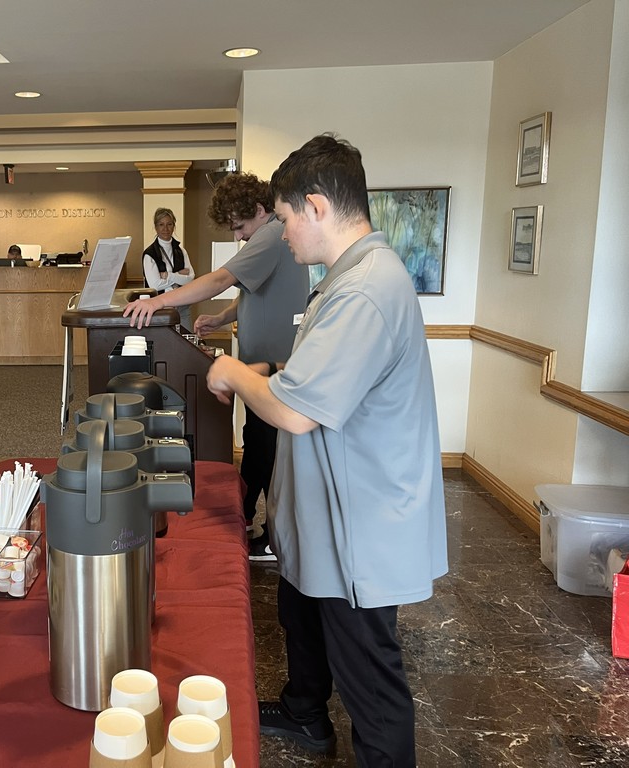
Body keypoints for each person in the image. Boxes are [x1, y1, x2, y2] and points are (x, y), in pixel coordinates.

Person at [206, 134, 447, 765]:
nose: (282, 235)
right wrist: (272, 364)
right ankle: (305, 711)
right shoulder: (347, 278)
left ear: (315, 207)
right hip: (331, 515)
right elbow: (322, 372)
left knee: (372, 683)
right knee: (301, 615)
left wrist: (234, 372)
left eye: (284, 219)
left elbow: (294, 409)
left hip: (361, 523)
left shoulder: (366, 287)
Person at [124, 174, 309, 558]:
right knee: (258, 441)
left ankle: (261, 527)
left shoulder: (272, 235)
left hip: (275, 366)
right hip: (260, 365)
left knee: (265, 446)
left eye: (240, 226)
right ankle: (247, 517)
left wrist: (159, 302)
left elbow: (222, 278)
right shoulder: (268, 235)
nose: (239, 236)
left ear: (259, 210)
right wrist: (221, 319)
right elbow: (251, 293)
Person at [141, 208, 195, 328]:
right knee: (166, 343)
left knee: (187, 342)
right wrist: (180, 276)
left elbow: (190, 279)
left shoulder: (181, 251)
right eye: (161, 224)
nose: (165, 229)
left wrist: (168, 275)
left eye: (169, 224)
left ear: (174, 226)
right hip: (161, 308)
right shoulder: (150, 254)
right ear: (156, 227)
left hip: (183, 305)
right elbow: (155, 285)